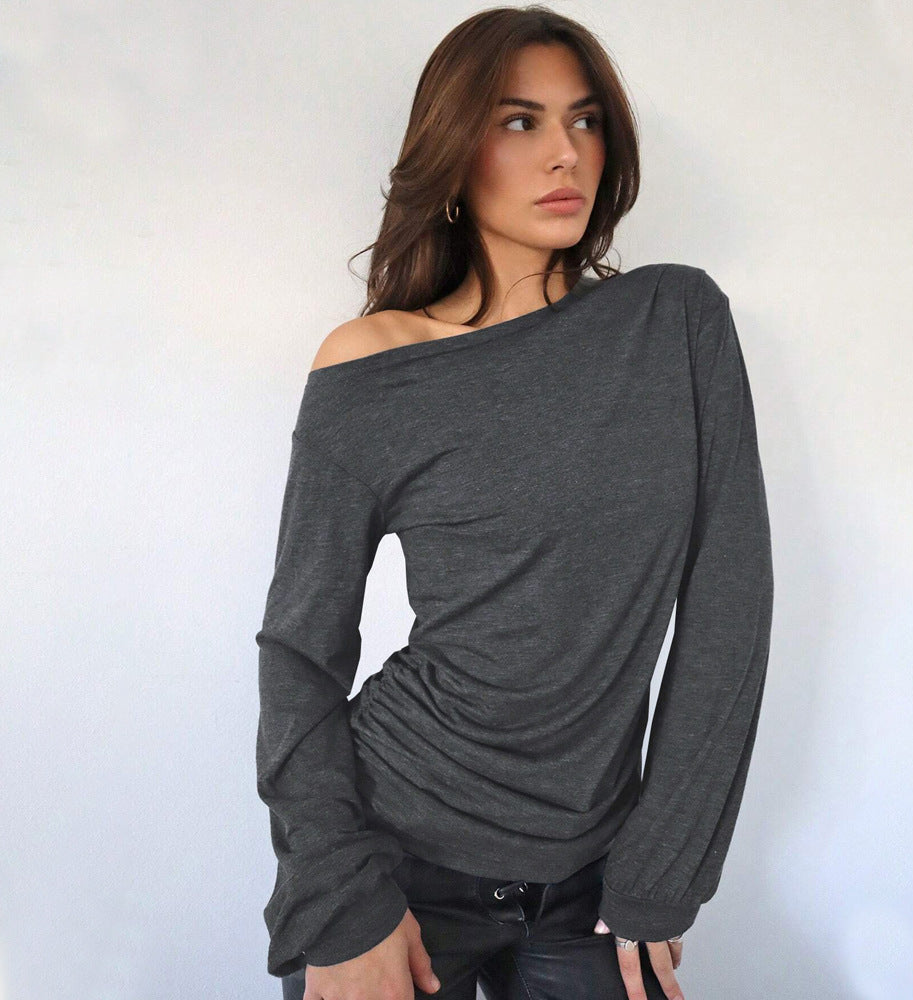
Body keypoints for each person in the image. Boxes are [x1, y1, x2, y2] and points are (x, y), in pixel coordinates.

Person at [254, 6, 774, 1000]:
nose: (564, 152)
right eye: (519, 121)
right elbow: (298, 653)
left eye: (584, 120)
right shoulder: (372, 365)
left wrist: (662, 874)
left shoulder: (673, 321)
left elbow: (729, 607)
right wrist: (336, 896)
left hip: (598, 875)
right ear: (455, 149)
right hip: (396, 854)